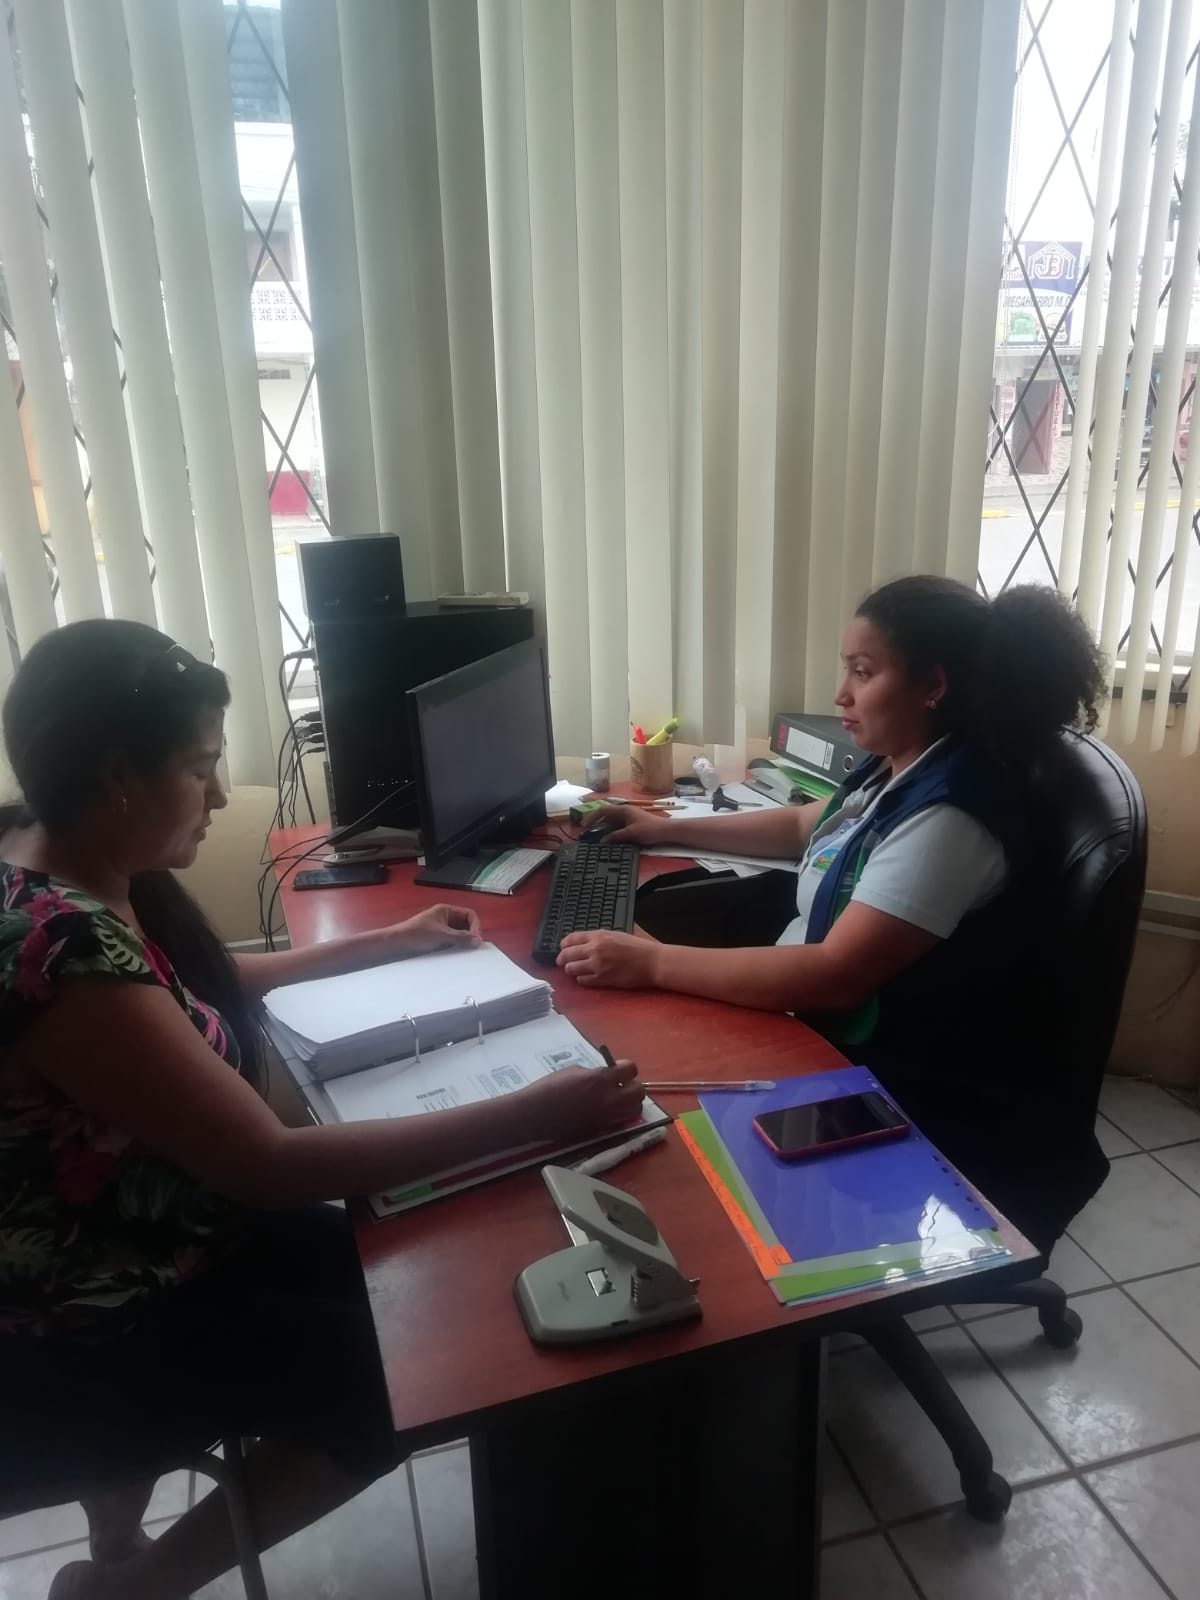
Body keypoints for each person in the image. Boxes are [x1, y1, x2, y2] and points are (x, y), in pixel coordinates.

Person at [0, 620, 642, 1600]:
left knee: (413, 1267)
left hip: (158, 1233)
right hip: (87, 1325)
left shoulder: (51, 853)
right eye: (201, 768)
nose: (220, 794)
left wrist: (383, 942)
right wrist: (539, 1112)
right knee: (402, 1377)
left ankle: (117, 1536)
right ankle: (134, 1588)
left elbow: (174, 996)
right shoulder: (60, 950)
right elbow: (267, 1165)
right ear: (119, 776)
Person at [557, 577, 1111, 1246]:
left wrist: (652, 962)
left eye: (863, 672)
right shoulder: (905, 764)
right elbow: (803, 826)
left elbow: (835, 976)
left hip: (871, 1069)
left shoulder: (951, 818)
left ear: (933, 685)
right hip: (810, 1017)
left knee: (636, 1101)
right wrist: (661, 827)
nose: (840, 694)